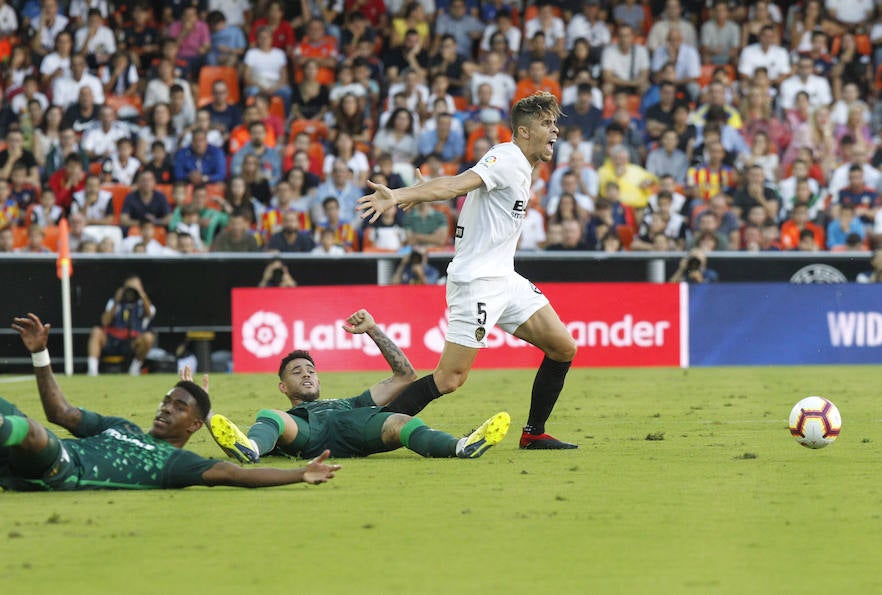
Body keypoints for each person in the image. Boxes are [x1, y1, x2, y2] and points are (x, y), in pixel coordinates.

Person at [357, 91, 578, 450]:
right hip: (477, 282)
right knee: (449, 378)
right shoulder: (506, 157)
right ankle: (367, 430)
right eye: (546, 123)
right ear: (523, 132)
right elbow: (459, 184)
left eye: (555, 123)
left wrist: (421, 190)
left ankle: (533, 433)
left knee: (562, 347)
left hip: (505, 278)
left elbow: (462, 190)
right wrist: (398, 195)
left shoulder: (520, 166)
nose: (554, 131)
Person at [2, 313, 340, 491]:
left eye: (179, 407)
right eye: (167, 401)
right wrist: (40, 354)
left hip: (58, 468)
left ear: (195, 425)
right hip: (30, 459)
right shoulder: (122, 427)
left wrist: (299, 474)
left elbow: (236, 474)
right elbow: (59, 413)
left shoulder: (174, 463)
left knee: (30, 431)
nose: (167, 408)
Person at [207, 310, 510, 463]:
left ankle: (461, 447)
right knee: (269, 414)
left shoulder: (352, 403)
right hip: (307, 433)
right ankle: (252, 448)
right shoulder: (291, 420)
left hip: (356, 426)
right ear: (283, 386)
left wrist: (374, 331)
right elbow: (267, 423)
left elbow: (405, 375)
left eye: (310, 370)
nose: (306, 374)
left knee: (399, 422)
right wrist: (206, 414)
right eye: (296, 372)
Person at [86, 275, 155, 377]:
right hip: (113, 340)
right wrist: (116, 301)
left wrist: (142, 296)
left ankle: (135, 368)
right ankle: (92, 370)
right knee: (96, 331)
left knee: (149, 338)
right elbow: (104, 322)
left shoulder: (142, 304)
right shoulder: (115, 302)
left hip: (132, 342)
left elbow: (150, 313)